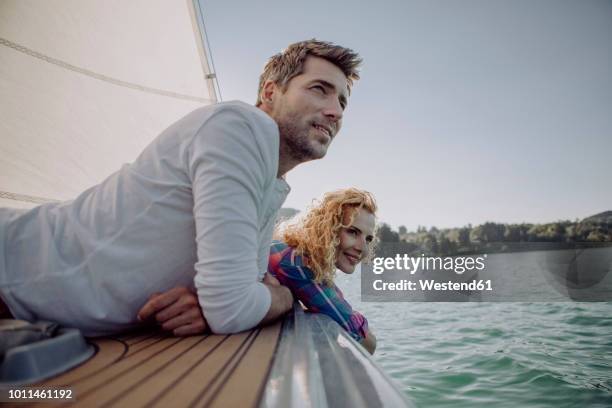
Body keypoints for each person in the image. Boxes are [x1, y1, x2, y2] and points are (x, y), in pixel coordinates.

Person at [0, 39, 362, 336]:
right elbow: (232, 306)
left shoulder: (272, 183)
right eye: (320, 90)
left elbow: (239, 290)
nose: (336, 111)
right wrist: (281, 297)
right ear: (270, 92)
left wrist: (211, 300)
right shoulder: (242, 127)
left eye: (342, 101)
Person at [143, 188, 378, 354]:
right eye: (352, 232)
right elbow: (364, 340)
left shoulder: (292, 254)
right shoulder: (299, 264)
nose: (362, 248)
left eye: (368, 238)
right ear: (327, 230)